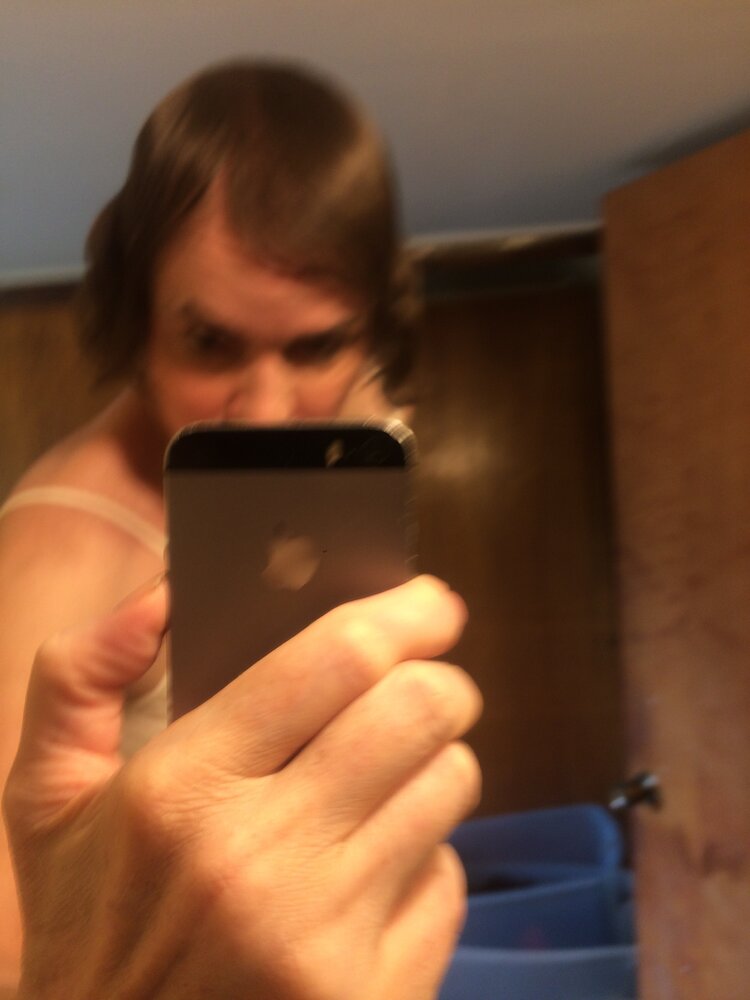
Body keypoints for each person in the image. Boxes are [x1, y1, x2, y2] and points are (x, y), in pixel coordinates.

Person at [0, 58, 481, 997]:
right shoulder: (56, 550)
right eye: (210, 343)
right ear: (138, 315)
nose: (265, 411)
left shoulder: (344, 418)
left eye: (316, 346)